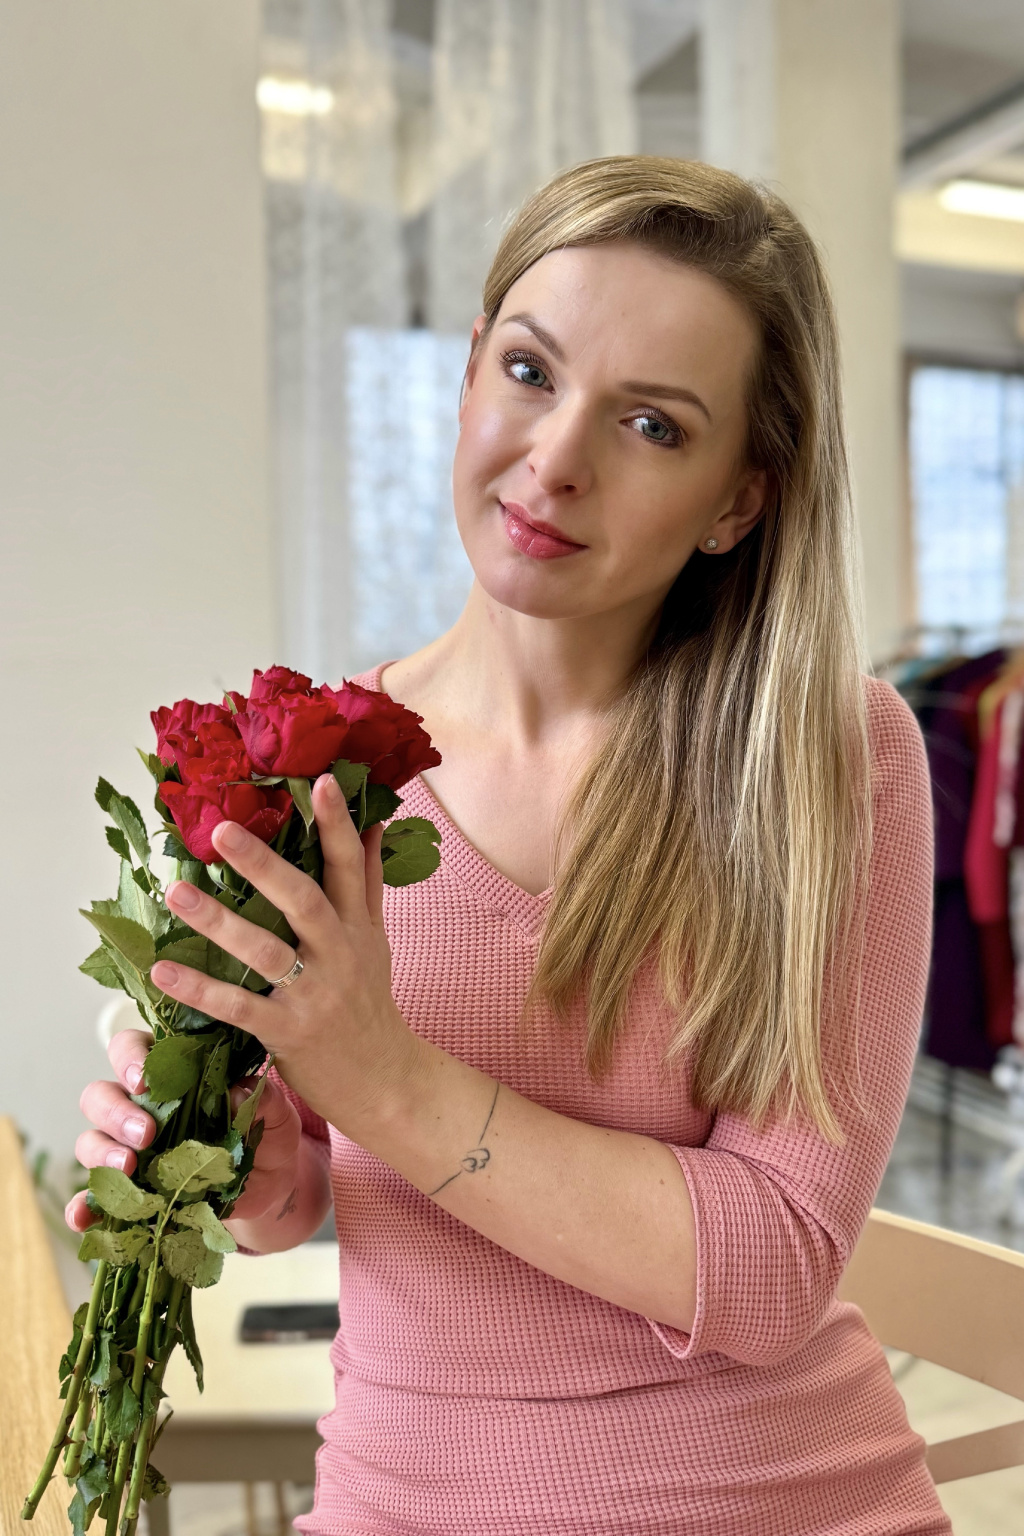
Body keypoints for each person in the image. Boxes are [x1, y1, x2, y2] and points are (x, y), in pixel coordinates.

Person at [67, 157, 950, 1534]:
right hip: (405, 1499)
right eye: (531, 372)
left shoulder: (827, 758)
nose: (556, 461)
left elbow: (776, 1263)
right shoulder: (314, 767)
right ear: (473, 366)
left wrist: (385, 1081)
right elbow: (301, 1191)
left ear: (739, 500)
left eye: (653, 425)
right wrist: (244, 1159)